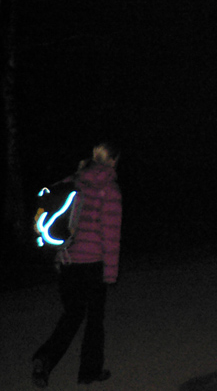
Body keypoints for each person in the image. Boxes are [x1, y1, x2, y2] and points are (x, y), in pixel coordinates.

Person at [32, 142, 123, 387]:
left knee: (72, 315)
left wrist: (57, 256)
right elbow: (110, 234)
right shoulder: (109, 189)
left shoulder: (73, 180)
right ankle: (89, 371)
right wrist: (111, 273)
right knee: (94, 319)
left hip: (67, 261)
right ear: (113, 160)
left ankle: (45, 358)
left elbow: (55, 217)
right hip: (92, 264)